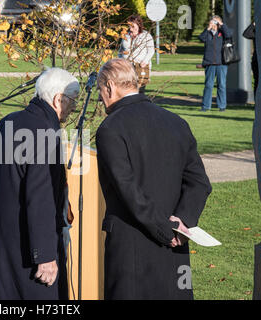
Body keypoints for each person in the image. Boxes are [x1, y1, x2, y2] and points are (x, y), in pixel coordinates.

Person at [95, 58, 212, 300]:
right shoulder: (177, 123)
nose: (101, 98)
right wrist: (182, 222)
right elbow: (199, 182)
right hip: (176, 243)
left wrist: (164, 228)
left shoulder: (110, 129)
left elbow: (127, 188)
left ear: (109, 86)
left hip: (132, 247)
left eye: (100, 92)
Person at [0, 68, 80, 300]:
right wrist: (45, 256)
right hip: (31, 244)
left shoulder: (8, 121)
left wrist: (12, 190)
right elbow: (41, 198)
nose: (75, 107)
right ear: (57, 99)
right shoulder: (47, 134)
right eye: (74, 100)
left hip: (3, 235)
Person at [198, 15, 233, 112]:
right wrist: (208, 28)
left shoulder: (222, 33)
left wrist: (221, 24)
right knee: (208, 85)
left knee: (221, 85)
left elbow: (229, 34)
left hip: (221, 63)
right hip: (210, 63)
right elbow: (201, 38)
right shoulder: (208, 33)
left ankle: (222, 106)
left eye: (215, 22)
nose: (214, 24)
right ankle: (206, 106)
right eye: (212, 21)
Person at [118, 14, 155, 94]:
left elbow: (151, 50)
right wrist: (120, 60)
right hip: (127, 67)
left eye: (133, 26)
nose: (131, 29)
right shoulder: (126, 35)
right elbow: (121, 50)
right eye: (129, 26)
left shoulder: (146, 36)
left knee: (138, 91)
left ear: (139, 25)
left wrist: (145, 61)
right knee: (126, 90)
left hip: (140, 66)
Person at [243, 22, 258, 93]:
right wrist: (253, 24)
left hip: (256, 60)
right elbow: (246, 34)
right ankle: (257, 102)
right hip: (257, 60)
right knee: (257, 82)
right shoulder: (257, 34)